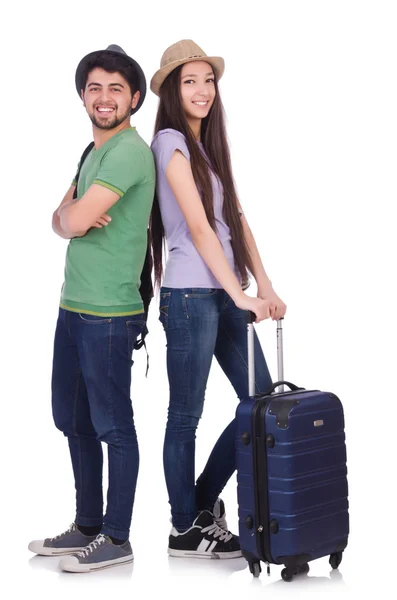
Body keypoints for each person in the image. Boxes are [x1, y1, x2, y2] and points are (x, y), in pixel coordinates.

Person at [150, 39, 287, 559]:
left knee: (262, 400)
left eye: (208, 80)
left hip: (226, 293)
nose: (203, 90)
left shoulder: (210, 147)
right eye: (190, 81)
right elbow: (203, 231)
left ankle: (204, 501)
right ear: (172, 90)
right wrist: (240, 295)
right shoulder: (169, 141)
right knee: (185, 416)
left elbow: (237, 223)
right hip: (190, 295)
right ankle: (183, 527)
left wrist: (265, 286)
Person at [28, 45, 155, 572]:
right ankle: (86, 525)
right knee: (72, 419)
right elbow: (60, 219)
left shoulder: (128, 151)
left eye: (116, 89)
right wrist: (69, 215)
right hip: (72, 305)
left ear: (135, 98)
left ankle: (116, 537)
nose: (104, 98)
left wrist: (72, 216)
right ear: (83, 96)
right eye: (95, 88)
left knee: (112, 426)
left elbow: (72, 221)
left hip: (108, 314)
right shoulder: (92, 150)